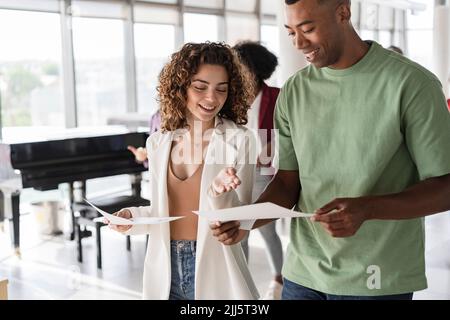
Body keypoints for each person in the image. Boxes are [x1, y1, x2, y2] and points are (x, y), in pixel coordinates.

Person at [211, 0, 450, 300]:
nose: (299, 43)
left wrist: (368, 208)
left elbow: (444, 186)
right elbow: (287, 183)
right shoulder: (294, 92)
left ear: (343, 12)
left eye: (308, 29)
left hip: (377, 276)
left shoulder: (413, 84)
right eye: (291, 33)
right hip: (302, 274)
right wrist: (246, 219)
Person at [106, 42, 259, 300]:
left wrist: (218, 192)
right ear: (181, 88)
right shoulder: (158, 142)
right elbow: (161, 212)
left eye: (221, 89)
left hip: (216, 268)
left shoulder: (240, 140)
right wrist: (132, 217)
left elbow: (239, 221)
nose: (211, 98)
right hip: (165, 272)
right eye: (200, 87)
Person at [233, 41, 284, 300]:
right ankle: (242, 283)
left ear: (254, 68)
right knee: (240, 230)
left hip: (265, 172)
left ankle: (278, 278)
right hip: (237, 173)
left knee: (265, 228)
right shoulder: (231, 99)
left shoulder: (276, 96)